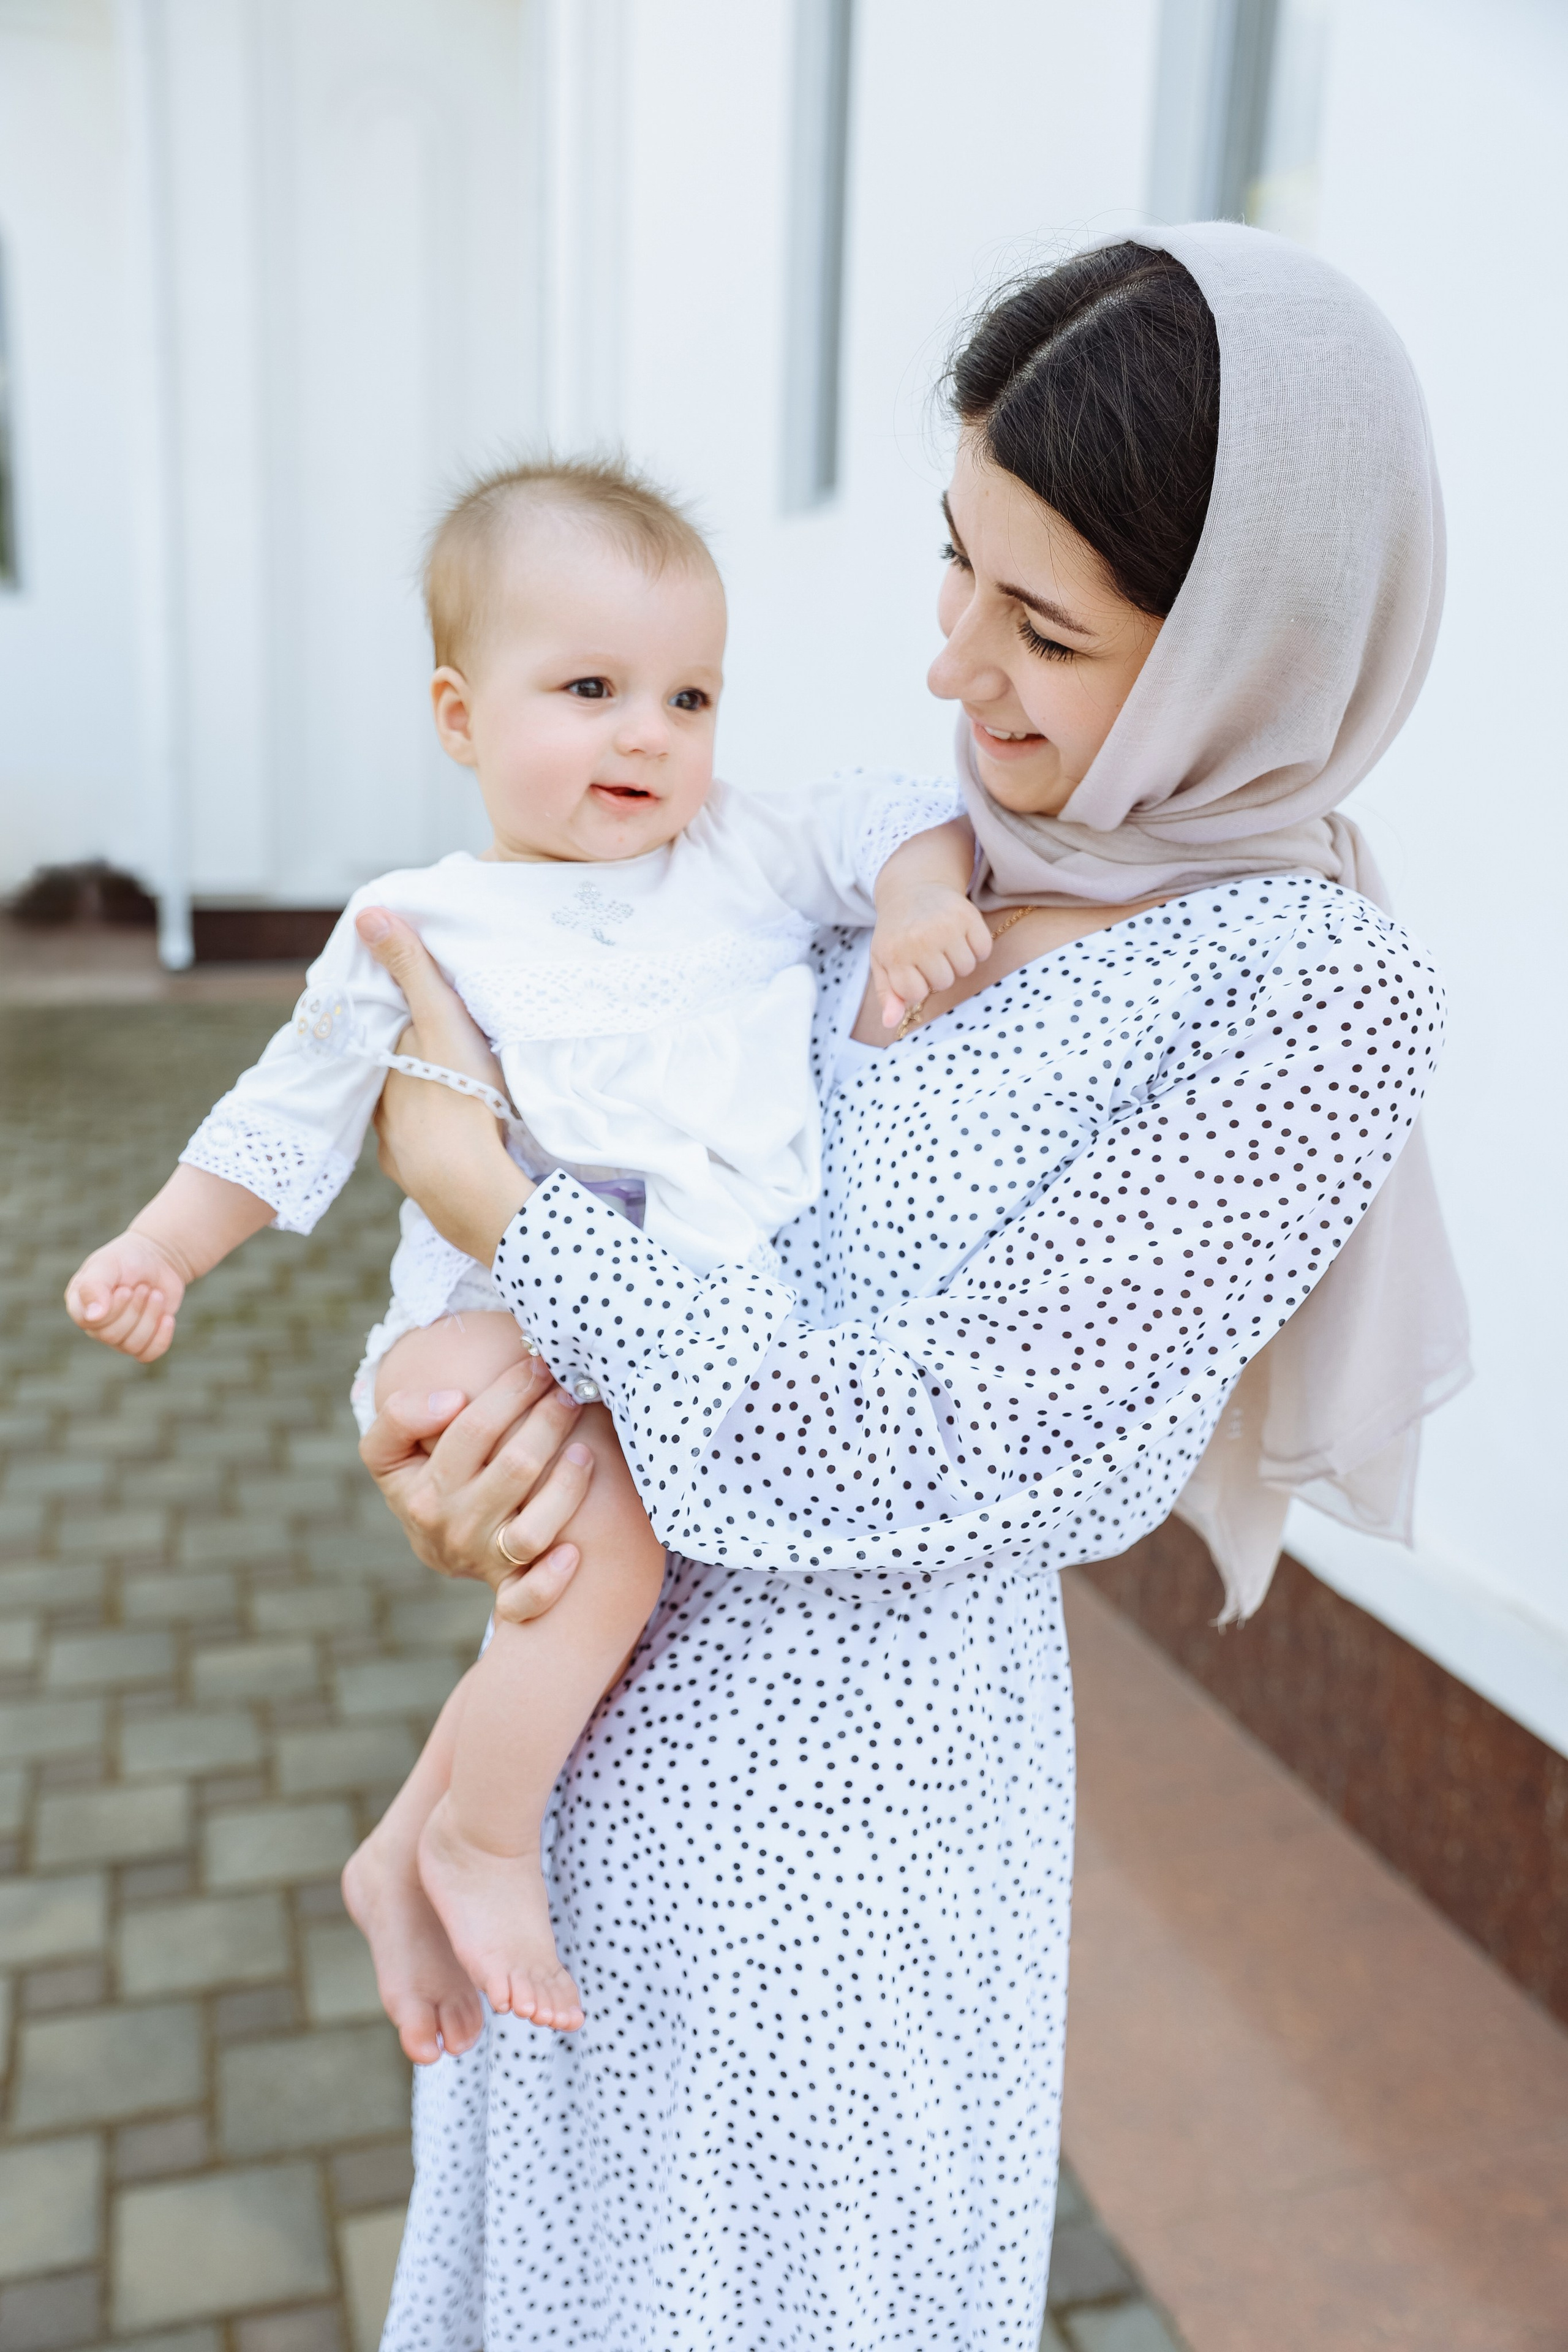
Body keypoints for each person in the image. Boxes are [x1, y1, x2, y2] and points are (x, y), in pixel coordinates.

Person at [352, 227, 1471, 2347]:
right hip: (556, 1769)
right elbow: (621, 1163)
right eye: (957, 564)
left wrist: (502, 1213)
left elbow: (918, 1447)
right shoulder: (905, 851)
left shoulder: (1304, 997)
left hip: (838, 1894)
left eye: (1045, 629)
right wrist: (440, 1443)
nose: (956, 668)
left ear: (1252, 649)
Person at [60, 457, 988, 2030]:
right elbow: (286, 1111)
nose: (650, 733)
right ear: (459, 715)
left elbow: (899, 819)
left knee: (590, 1556)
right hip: (482, 1321)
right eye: (590, 689)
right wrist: (163, 1248)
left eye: (689, 697)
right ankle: (479, 1844)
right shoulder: (417, 924)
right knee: (605, 1531)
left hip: (672, 1330)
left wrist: (910, 908)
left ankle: (405, 1844)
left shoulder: (737, 854)